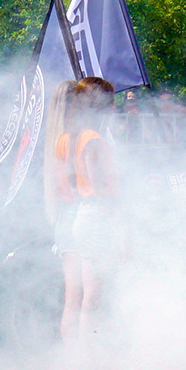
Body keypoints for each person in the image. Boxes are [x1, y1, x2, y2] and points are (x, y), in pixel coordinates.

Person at [51, 77, 120, 345]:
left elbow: (62, 184)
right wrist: (116, 226)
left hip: (68, 218)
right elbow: (97, 188)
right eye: (111, 102)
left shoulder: (64, 139)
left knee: (73, 299)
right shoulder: (92, 138)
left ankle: (73, 365)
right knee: (92, 299)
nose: (114, 108)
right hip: (92, 217)